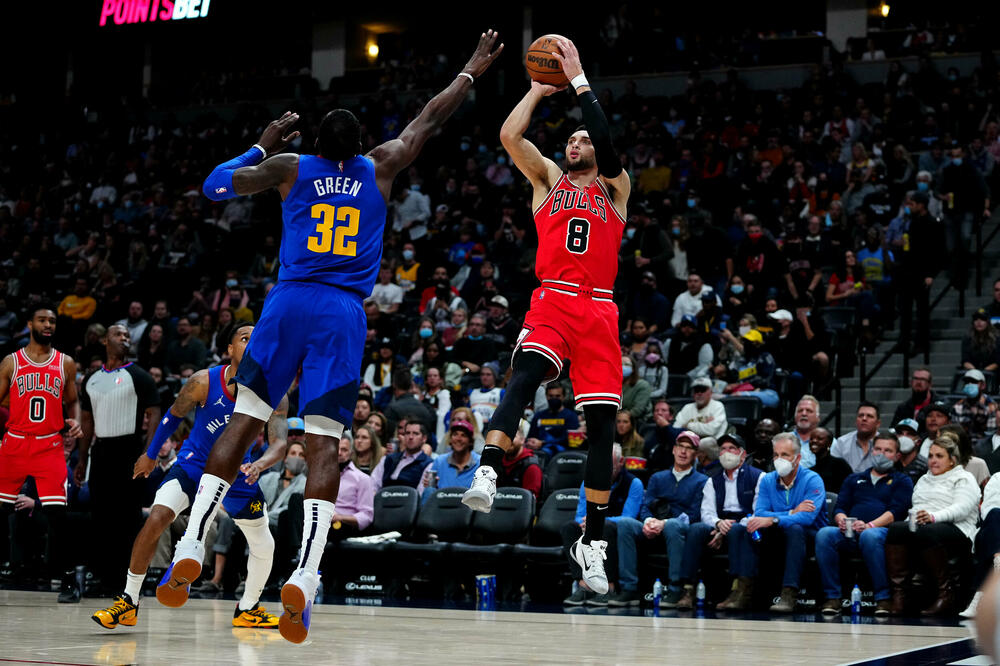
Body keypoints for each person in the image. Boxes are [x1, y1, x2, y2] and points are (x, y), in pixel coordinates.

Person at [162, 30, 503, 644]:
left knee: (243, 421)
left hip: (287, 303)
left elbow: (214, 186)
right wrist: (472, 68)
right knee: (322, 444)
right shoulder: (383, 166)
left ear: (316, 145)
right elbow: (429, 117)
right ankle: (307, 573)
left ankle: (190, 540)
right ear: (360, 147)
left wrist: (260, 145)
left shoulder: (292, 167)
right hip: (342, 314)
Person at [461, 37, 630, 599]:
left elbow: (606, 139)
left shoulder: (615, 187)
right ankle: (488, 465)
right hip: (554, 298)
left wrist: (580, 81)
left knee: (602, 431)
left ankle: (594, 540)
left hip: (600, 309)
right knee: (527, 375)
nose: (581, 142)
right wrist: (536, 91)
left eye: (585, 138)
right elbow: (510, 137)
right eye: (574, 139)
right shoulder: (549, 182)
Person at [95, 324, 289, 629]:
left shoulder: (273, 392)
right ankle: (128, 601)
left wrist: (261, 464)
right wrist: (150, 454)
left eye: (258, 339)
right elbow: (173, 414)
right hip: (194, 465)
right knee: (157, 517)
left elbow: (279, 443)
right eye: (244, 338)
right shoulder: (203, 381)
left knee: (264, 544)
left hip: (240, 473)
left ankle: (248, 608)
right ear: (229, 350)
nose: (252, 343)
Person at [0, 305, 83, 603]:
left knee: (58, 515)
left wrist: (73, 421)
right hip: (15, 442)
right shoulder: (11, 362)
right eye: (42, 320)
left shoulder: (66, 363)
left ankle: (70, 580)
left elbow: (73, 401)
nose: (48, 325)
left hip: (49, 444)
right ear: (30, 324)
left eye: (52, 321)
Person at [76, 325, 161, 598]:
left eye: (127, 336)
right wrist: (81, 460)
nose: (124, 339)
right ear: (105, 341)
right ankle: (103, 579)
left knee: (127, 518)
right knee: (101, 516)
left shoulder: (140, 376)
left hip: (130, 450)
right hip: (100, 452)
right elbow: (86, 424)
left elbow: (155, 415)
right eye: (118, 335)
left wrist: (149, 453)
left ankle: (128, 584)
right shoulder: (90, 379)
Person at [816, 431, 913, 616]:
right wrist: (842, 521)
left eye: (888, 450)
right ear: (871, 451)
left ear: (897, 456)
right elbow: (840, 507)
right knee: (825, 534)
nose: (881, 454)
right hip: (851, 531)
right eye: (877, 449)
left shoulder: (903, 480)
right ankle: (832, 597)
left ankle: (883, 598)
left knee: (870, 535)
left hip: (883, 533)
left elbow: (896, 512)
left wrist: (869, 525)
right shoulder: (854, 478)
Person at [610, 431, 708, 607]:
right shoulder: (657, 477)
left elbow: (695, 514)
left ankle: (675, 588)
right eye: (680, 447)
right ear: (673, 450)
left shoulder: (702, 481)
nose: (683, 452)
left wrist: (665, 523)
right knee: (625, 523)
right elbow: (646, 506)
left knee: (673, 526)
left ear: (696, 454)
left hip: (681, 527)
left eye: (689, 448)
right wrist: (648, 521)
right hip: (653, 525)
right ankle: (629, 588)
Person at [885, 435, 980, 616]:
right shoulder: (923, 480)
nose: (933, 460)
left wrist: (932, 517)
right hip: (926, 526)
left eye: (939, 456)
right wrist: (909, 523)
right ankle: (900, 595)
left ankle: (946, 594)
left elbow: (961, 509)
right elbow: (916, 507)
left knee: (927, 531)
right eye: (930, 456)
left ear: (952, 460)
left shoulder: (964, 478)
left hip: (958, 530)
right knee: (896, 529)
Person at [677, 433, 763, 610]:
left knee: (739, 530)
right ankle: (688, 588)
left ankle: (739, 589)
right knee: (695, 529)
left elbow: (758, 512)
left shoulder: (758, 477)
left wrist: (728, 526)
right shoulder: (712, 480)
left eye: (732, 448)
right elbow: (706, 512)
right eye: (723, 449)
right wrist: (718, 524)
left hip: (747, 525)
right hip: (720, 523)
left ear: (742, 454)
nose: (726, 452)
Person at [749, 432, 827, 613]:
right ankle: (748, 590)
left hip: (810, 535)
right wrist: (791, 512)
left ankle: (789, 593)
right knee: (750, 528)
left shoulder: (812, 479)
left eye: (785, 455)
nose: (779, 460)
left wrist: (774, 518)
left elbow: (808, 518)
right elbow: (760, 513)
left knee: (795, 527)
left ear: (797, 458)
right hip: (778, 533)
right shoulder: (768, 479)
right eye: (776, 455)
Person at [562, 443, 642, 606]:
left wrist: (597, 522)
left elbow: (629, 517)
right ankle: (584, 586)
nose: (605, 468)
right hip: (593, 525)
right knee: (570, 527)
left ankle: (608, 587)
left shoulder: (634, 484)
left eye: (610, 464)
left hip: (617, 529)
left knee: (606, 527)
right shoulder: (588, 482)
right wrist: (587, 524)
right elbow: (580, 514)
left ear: (621, 462)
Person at [961, 472, 1000, 618]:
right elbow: (988, 510)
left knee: (987, 535)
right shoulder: (998, 478)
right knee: (994, 515)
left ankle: (979, 595)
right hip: (996, 528)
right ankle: (998, 561)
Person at [416, 419, 480, 499]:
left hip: (470, 507)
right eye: (455, 434)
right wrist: (431, 486)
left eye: (463, 435)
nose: (458, 439)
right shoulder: (439, 461)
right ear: (450, 439)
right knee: (429, 490)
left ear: (470, 441)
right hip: (442, 506)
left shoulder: (480, 463)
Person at [372, 421, 434, 493]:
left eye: (415, 434)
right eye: (407, 433)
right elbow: (373, 485)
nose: (410, 437)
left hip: (409, 502)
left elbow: (420, 494)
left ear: (424, 439)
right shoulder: (388, 459)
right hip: (383, 501)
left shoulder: (428, 464)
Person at [526, 383, 579, 458]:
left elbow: (568, 440)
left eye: (557, 396)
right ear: (546, 396)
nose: (554, 398)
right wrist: (531, 443)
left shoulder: (571, 416)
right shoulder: (538, 416)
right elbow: (531, 436)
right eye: (551, 396)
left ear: (563, 397)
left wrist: (543, 443)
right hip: (538, 452)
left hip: (562, 455)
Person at [498, 421, 543, 500]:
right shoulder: (498, 462)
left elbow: (530, 500)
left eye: (512, 436)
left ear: (522, 440)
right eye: (504, 437)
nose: (507, 440)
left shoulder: (531, 467)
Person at [832, 401, 882, 472]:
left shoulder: (885, 443)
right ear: (856, 421)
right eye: (861, 415)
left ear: (878, 423)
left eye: (869, 416)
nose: (864, 419)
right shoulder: (842, 443)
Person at [951, 369, 998, 442]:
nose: (969, 384)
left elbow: (990, 435)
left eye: (974, 382)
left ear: (983, 385)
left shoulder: (991, 407)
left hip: (985, 447)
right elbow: (955, 434)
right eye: (967, 382)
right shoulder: (958, 407)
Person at [809, 427, 853, 494]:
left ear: (829, 443)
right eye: (811, 439)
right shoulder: (810, 470)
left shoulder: (840, 465)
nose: (814, 441)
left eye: (819, 439)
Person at [893, 418, 928, 483]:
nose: (903, 437)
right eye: (900, 433)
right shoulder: (890, 463)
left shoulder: (925, 466)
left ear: (918, 441)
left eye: (910, 434)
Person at [621, 356, 652, 426]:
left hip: (638, 422)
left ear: (633, 369)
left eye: (626, 364)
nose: (623, 367)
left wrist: (618, 417)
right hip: (618, 421)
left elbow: (637, 411)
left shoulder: (643, 385)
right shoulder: (614, 385)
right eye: (620, 364)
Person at [792, 395, 821, 468]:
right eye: (800, 411)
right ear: (795, 416)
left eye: (809, 411)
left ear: (818, 418)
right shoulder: (783, 440)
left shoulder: (831, 443)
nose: (804, 414)